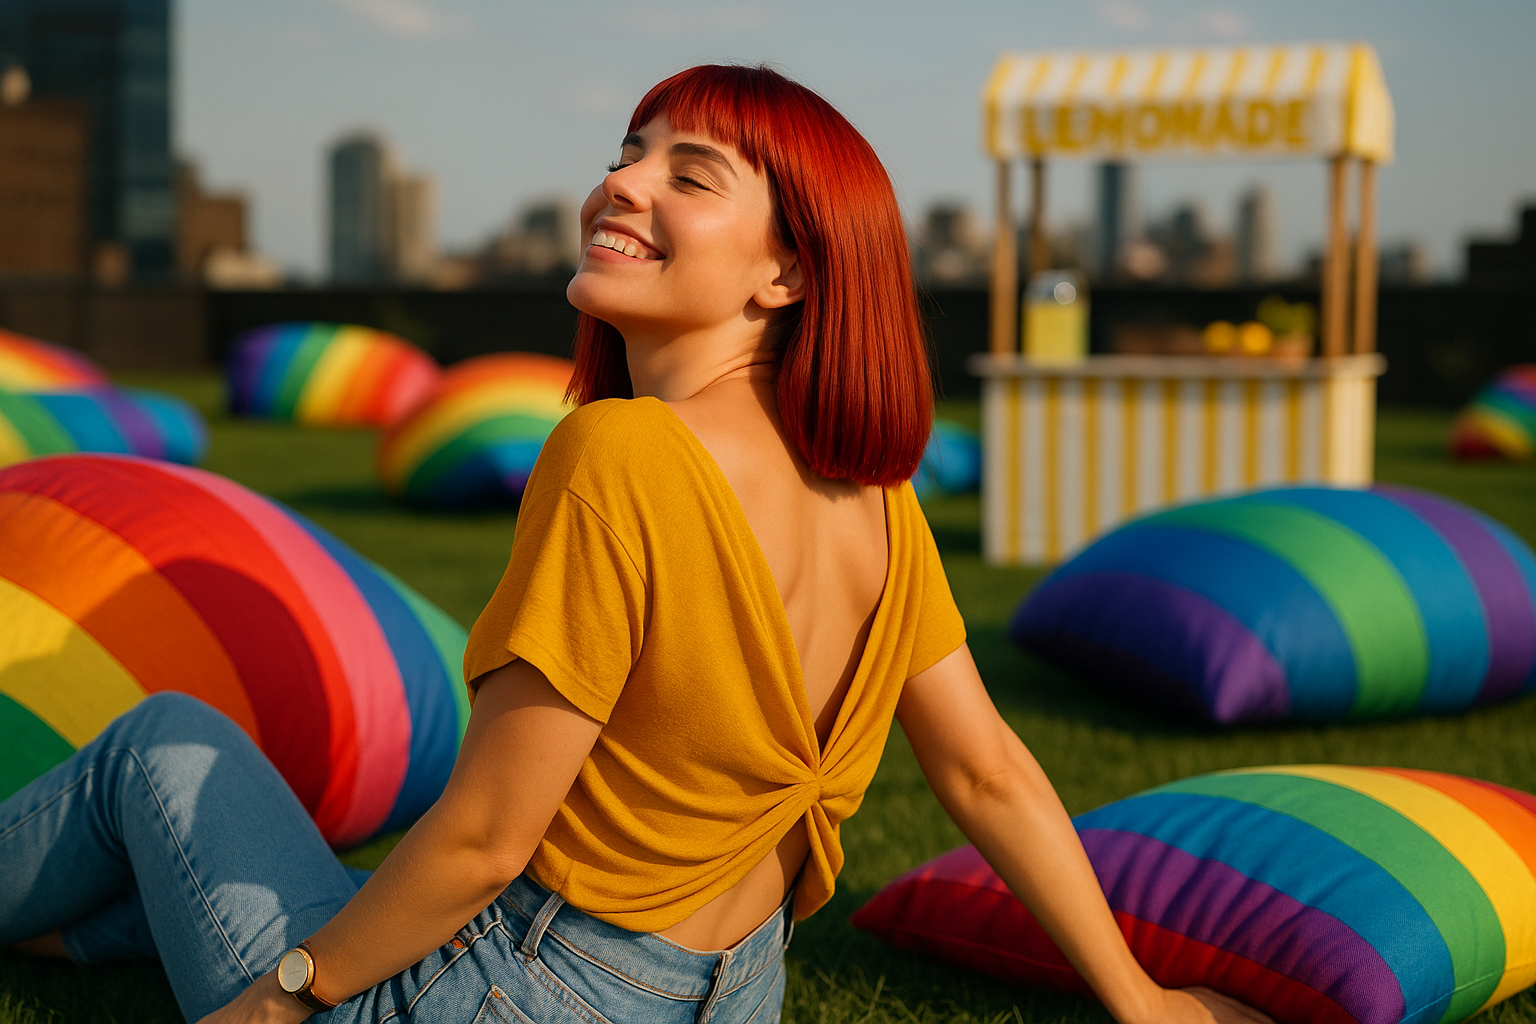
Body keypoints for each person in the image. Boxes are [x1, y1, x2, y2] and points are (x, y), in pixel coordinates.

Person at [0, 65, 1269, 1024]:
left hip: (521, 990)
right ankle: (90, 932)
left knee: (165, 744)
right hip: (731, 992)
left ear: (785, 274)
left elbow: (490, 838)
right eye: (629, 154)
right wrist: (1141, 1001)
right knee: (251, 853)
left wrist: (287, 993)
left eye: (691, 176)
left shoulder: (617, 452)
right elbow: (987, 769)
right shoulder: (879, 497)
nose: (623, 183)